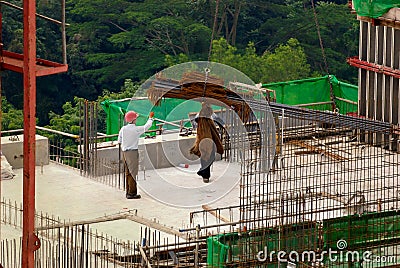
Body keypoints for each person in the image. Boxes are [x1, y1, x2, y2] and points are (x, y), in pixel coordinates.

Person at [118, 110, 154, 199]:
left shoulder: (123, 129)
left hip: (125, 152)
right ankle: (132, 193)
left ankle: (128, 192)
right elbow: (147, 127)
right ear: (133, 120)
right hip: (132, 153)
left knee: (128, 173)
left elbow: (119, 141)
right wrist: (150, 118)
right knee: (133, 173)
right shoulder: (136, 129)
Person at [190, 103, 224, 183]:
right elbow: (196, 120)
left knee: (209, 156)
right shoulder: (200, 116)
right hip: (203, 139)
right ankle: (205, 175)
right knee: (206, 156)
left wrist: (223, 125)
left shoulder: (210, 115)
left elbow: (218, 120)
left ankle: (203, 172)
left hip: (209, 139)